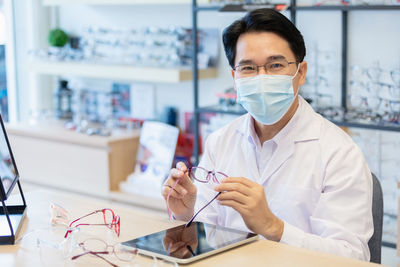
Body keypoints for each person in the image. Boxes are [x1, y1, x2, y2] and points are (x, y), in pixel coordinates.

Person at [162, 8, 373, 261]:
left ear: (301, 72)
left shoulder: (339, 153)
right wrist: (187, 217)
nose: (262, 78)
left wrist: (274, 227)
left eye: (275, 65)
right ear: (235, 77)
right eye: (248, 68)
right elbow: (210, 237)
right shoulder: (221, 141)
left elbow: (353, 257)